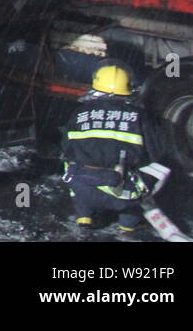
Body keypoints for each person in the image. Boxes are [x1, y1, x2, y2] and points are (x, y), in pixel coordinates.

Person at [62, 60, 160, 232]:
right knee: (143, 179)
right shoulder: (139, 116)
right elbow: (155, 152)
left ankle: (84, 216)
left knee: (70, 164)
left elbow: (66, 148)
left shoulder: (79, 113)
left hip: (83, 186)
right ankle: (128, 224)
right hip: (122, 192)